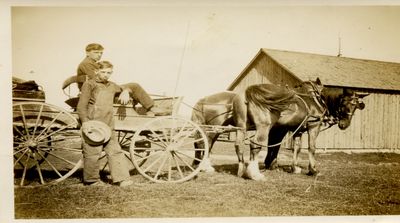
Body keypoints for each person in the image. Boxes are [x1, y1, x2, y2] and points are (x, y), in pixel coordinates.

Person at [77, 60, 133, 187]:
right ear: (96, 71)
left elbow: (126, 87)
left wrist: (125, 91)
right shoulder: (89, 85)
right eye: (103, 72)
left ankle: (122, 179)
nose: (106, 75)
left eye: (109, 73)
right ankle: (92, 180)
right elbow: (81, 106)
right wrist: (86, 123)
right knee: (92, 153)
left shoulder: (111, 85)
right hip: (94, 125)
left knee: (115, 151)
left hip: (108, 125)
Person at [77, 43, 167, 116]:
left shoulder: (90, 63)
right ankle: (151, 107)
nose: (99, 55)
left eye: (101, 53)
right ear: (87, 53)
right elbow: (99, 80)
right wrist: (122, 89)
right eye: (96, 52)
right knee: (134, 86)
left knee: (131, 87)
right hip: (97, 90)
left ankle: (148, 108)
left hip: (99, 88)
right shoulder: (87, 64)